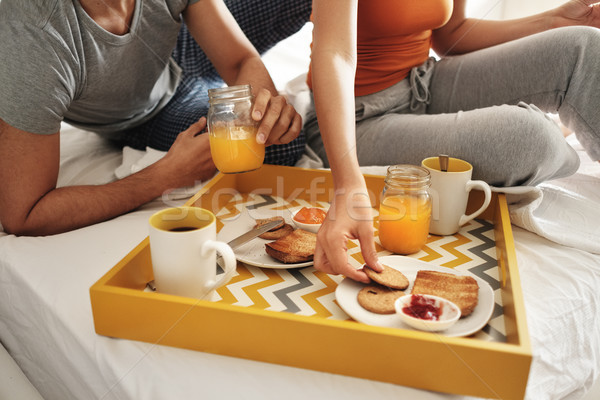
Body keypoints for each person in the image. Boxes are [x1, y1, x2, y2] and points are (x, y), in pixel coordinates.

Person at [304, 0, 600, 282]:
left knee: (585, 47)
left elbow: (452, 34)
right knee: (527, 137)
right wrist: (348, 187)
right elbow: (334, 53)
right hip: (357, 120)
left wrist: (552, 21)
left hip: (425, 80)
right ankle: (554, 141)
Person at [0, 0, 312, 236]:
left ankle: (360, 102)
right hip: (150, 112)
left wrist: (262, 106)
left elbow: (240, 60)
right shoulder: (34, 40)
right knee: (274, 149)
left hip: (185, 40)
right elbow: (23, 214)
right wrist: (162, 177)